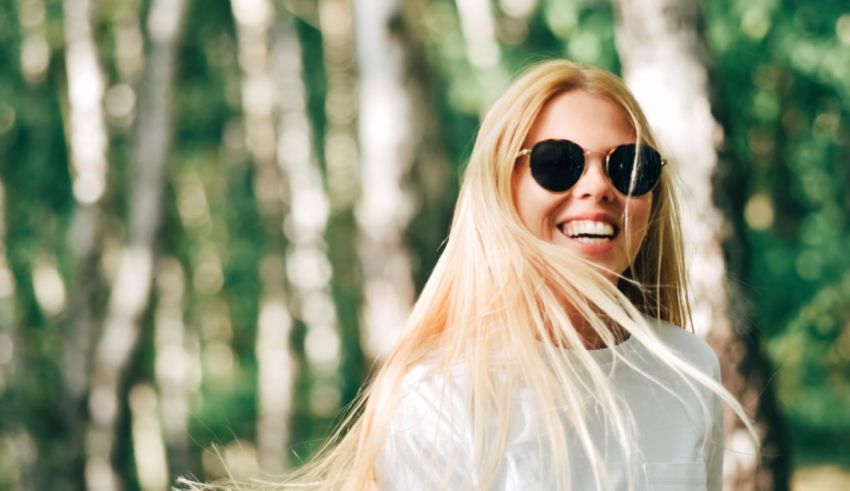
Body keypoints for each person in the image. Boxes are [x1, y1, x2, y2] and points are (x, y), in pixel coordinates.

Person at [187, 59, 757, 491]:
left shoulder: (687, 368)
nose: (596, 188)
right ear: (501, 189)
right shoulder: (440, 395)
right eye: (556, 163)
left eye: (627, 165)